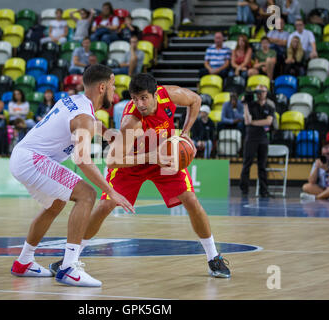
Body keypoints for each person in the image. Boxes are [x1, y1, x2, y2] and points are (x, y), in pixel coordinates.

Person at [49, 73, 232, 279]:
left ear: (155, 94)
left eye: (144, 97)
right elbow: (112, 160)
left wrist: (186, 132)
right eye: (135, 99)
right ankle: (69, 259)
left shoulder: (169, 95)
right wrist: (152, 156)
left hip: (163, 156)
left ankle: (213, 257)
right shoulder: (132, 122)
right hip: (131, 161)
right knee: (105, 206)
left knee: (190, 200)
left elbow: (196, 100)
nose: (140, 103)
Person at [9, 64, 135, 287]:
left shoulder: (75, 100)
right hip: (33, 159)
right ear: (102, 87)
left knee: (56, 204)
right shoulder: (84, 116)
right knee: (87, 194)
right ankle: (68, 267)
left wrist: (106, 133)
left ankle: (24, 261)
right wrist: (111, 191)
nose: (115, 91)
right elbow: (82, 159)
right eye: (113, 85)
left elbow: (88, 123)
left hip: (24, 156)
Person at [240, 85, 274, 197]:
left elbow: (268, 122)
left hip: (263, 139)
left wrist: (254, 123)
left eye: (262, 92)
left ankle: (264, 191)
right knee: (247, 164)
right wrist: (245, 105)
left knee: (262, 166)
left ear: (266, 92)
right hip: (251, 138)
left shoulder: (269, 107)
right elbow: (247, 121)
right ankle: (244, 190)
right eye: (258, 92)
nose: (260, 94)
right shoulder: (251, 104)